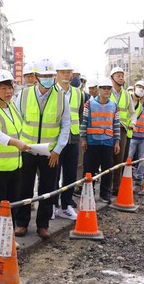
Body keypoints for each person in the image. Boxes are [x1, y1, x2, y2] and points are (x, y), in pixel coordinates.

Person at [14, 59, 70, 239]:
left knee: (47, 190)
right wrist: (18, 146)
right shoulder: (23, 95)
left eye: (50, 76)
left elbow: (65, 125)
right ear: (36, 77)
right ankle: (22, 223)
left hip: (50, 153)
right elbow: (16, 122)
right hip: (27, 150)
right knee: (24, 188)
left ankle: (43, 225)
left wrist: (57, 150)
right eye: (44, 76)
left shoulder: (62, 96)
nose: (48, 79)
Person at [0, 69, 29, 238]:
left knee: (12, 206)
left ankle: (8, 240)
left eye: (10, 88)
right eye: (4, 88)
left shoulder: (12, 107)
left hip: (14, 167)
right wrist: (17, 143)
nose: (9, 92)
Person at [80, 77, 120, 203]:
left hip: (108, 142)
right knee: (89, 170)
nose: (107, 91)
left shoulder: (114, 106)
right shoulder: (89, 104)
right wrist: (83, 139)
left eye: (109, 89)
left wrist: (117, 141)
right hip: (92, 142)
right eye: (104, 88)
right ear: (99, 89)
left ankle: (105, 194)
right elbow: (84, 122)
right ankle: (88, 194)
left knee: (107, 170)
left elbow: (116, 124)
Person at [53, 60, 82, 220]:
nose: (66, 74)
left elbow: (79, 114)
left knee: (70, 174)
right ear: (56, 74)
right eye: (63, 71)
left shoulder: (78, 93)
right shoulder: (52, 91)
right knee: (53, 175)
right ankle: (52, 205)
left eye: (68, 72)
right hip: (56, 139)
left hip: (73, 138)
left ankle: (65, 206)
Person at [109, 67, 136, 196]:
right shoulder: (106, 91)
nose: (121, 78)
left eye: (122, 76)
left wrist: (133, 123)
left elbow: (132, 113)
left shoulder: (126, 94)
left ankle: (116, 187)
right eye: (118, 75)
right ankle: (106, 187)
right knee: (107, 159)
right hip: (107, 129)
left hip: (122, 129)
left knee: (119, 159)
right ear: (112, 78)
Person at [128, 81, 144, 184]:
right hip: (132, 136)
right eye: (139, 87)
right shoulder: (131, 102)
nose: (141, 90)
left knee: (142, 159)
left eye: (143, 88)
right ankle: (127, 175)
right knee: (129, 157)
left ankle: (139, 177)